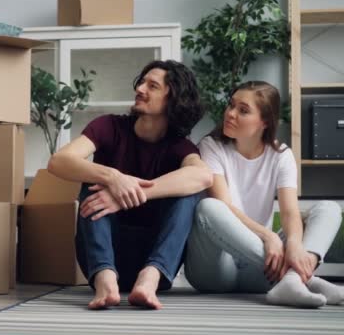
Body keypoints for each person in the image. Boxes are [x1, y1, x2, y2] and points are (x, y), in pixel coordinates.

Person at [47, 60, 212, 310]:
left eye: (152, 85)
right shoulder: (109, 126)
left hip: (155, 262)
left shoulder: (180, 146)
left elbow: (203, 177)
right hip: (104, 258)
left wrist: (134, 193)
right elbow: (59, 161)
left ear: (173, 99)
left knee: (188, 195)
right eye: (142, 81)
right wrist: (114, 178)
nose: (140, 88)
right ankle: (106, 282)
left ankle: (148, 280)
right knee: (94, 183)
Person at [184, 81, 344, 308]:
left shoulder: (281, 156)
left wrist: (295, 246)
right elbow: (225, 205)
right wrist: (268, 237)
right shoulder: (211, 146)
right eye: (231, 105)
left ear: (265, 121)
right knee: (209, 207)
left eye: (243, 110)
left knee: (328, 208)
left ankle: (291, 281)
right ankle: (303, 278)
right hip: (215, 271)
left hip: (263, 271)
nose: (230, 113)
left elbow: (289, 213)